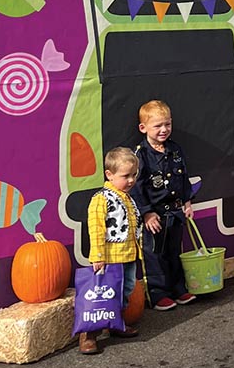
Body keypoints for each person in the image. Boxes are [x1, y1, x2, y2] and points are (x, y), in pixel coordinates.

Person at [129, 99, 196, 311]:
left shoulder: (175, 150)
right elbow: (137, 187)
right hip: (154, 217)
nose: (163, 130)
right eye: (157, 125)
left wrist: (187, 202)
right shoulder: (141, 155)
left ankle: (178, 288)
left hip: (175, 213)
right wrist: (147, 213)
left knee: (174, 252)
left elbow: (184, 177)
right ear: (143, 128)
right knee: (154, 254)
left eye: (167, 124)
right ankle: (158, 294)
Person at [81, 146, 142, 354]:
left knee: (125, 291)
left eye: (134, 175)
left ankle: (115, 323)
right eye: (126, 176)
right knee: (104, 294)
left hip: (128, 254)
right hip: (109, 257)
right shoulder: (102, 198)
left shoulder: (126, 196)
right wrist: (98, 256)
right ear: (109, 174)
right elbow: (96, 229)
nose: (131, 180)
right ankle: (89, 334)